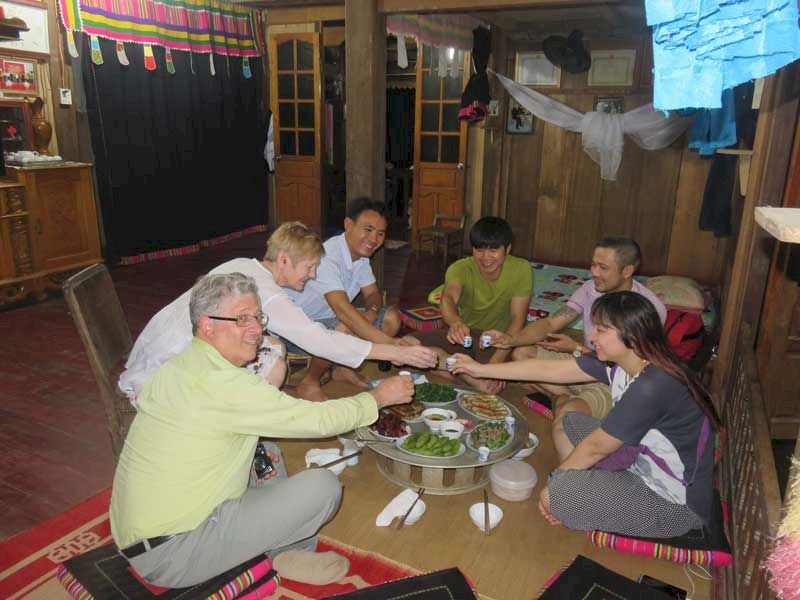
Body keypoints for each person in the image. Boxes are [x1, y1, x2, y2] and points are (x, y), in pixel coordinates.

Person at [110, 272, 415, 587]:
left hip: (140, 537)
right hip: (176, 554)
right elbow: (317, 420)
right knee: (322, 487)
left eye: (258, 317)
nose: (256, 329)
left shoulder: (179, 365)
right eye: (242, 319)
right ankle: (285, 550)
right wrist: (377, 399)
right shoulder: (225, 384)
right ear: (207, 326)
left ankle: (284, 552)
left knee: (263, 451)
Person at [451, 291, 719, 538]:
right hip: (637, 459)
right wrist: (479, 369)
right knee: (570, 421)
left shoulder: (651, 385)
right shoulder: (624, 363)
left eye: (601, 330)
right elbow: (546, 370)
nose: (592, 337)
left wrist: (555, 485)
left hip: (672, 503)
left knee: (558, 494)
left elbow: (596, 447)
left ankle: (579, 495)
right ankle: (587, 492)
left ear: (632, 335)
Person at [119, 221, 437, 401]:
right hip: (167, 373)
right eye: (309, 267)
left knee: (272, 346)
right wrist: (394, 352)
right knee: (274, 366)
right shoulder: (265, 292)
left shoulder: (244, 264)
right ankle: (240, 428)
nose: (313, 275)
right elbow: (318, 339)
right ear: (284, 259)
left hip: (156, 346)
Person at [484, 236, 666, 420]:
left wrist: (577, 349)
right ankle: (565, 397)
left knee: (568, 413)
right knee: (521, 353)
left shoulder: (649, 308)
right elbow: (550, 323)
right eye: (593, 265)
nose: (594, 272)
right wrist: (511, 340)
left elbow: (632, 369)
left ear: (627, 271)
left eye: (603, 267)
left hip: (613, 380)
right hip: (584, 363)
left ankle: (562, 400)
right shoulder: (591, 288)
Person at [287, 198, 422, 399]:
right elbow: (344, 313)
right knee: (346, 327)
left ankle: (341, 368)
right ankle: (309, 382)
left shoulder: (360, 257)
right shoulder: (327, 257)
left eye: (380, 233)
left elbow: (373, 294)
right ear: (348, 225)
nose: (374, 239)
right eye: (368, 229)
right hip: (299, 327)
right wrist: (392, 346)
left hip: (332, 319)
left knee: (390, 317)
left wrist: (371, 313)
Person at [413, 216, 531, 394]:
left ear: (507, 249)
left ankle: (454, 368)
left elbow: (517, 319)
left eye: (493, 250)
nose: (485, 257)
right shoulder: (459, 268)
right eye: (479, 250)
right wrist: (455, 323)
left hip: (498, 341)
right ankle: (466, 373)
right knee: (407, 345)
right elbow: (448, 298)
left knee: (495, 381)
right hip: (464, 335)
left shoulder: (521, 269)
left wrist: (495, 364)